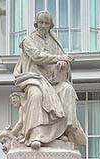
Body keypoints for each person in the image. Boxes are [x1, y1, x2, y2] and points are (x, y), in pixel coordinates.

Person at [14, 10, 86, 149]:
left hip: (52, 81)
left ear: (50, 25)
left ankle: (62, 132)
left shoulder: (54, 41)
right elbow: (37, 56)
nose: (43, 25)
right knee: (36, 95)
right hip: (33, 78)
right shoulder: (29, 40)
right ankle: (35, 135)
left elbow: (62, 59)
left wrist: (62, 63)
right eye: (41, 22)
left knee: (67, 90)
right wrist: (59, 58)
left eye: (46, 23)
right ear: (36, 23)